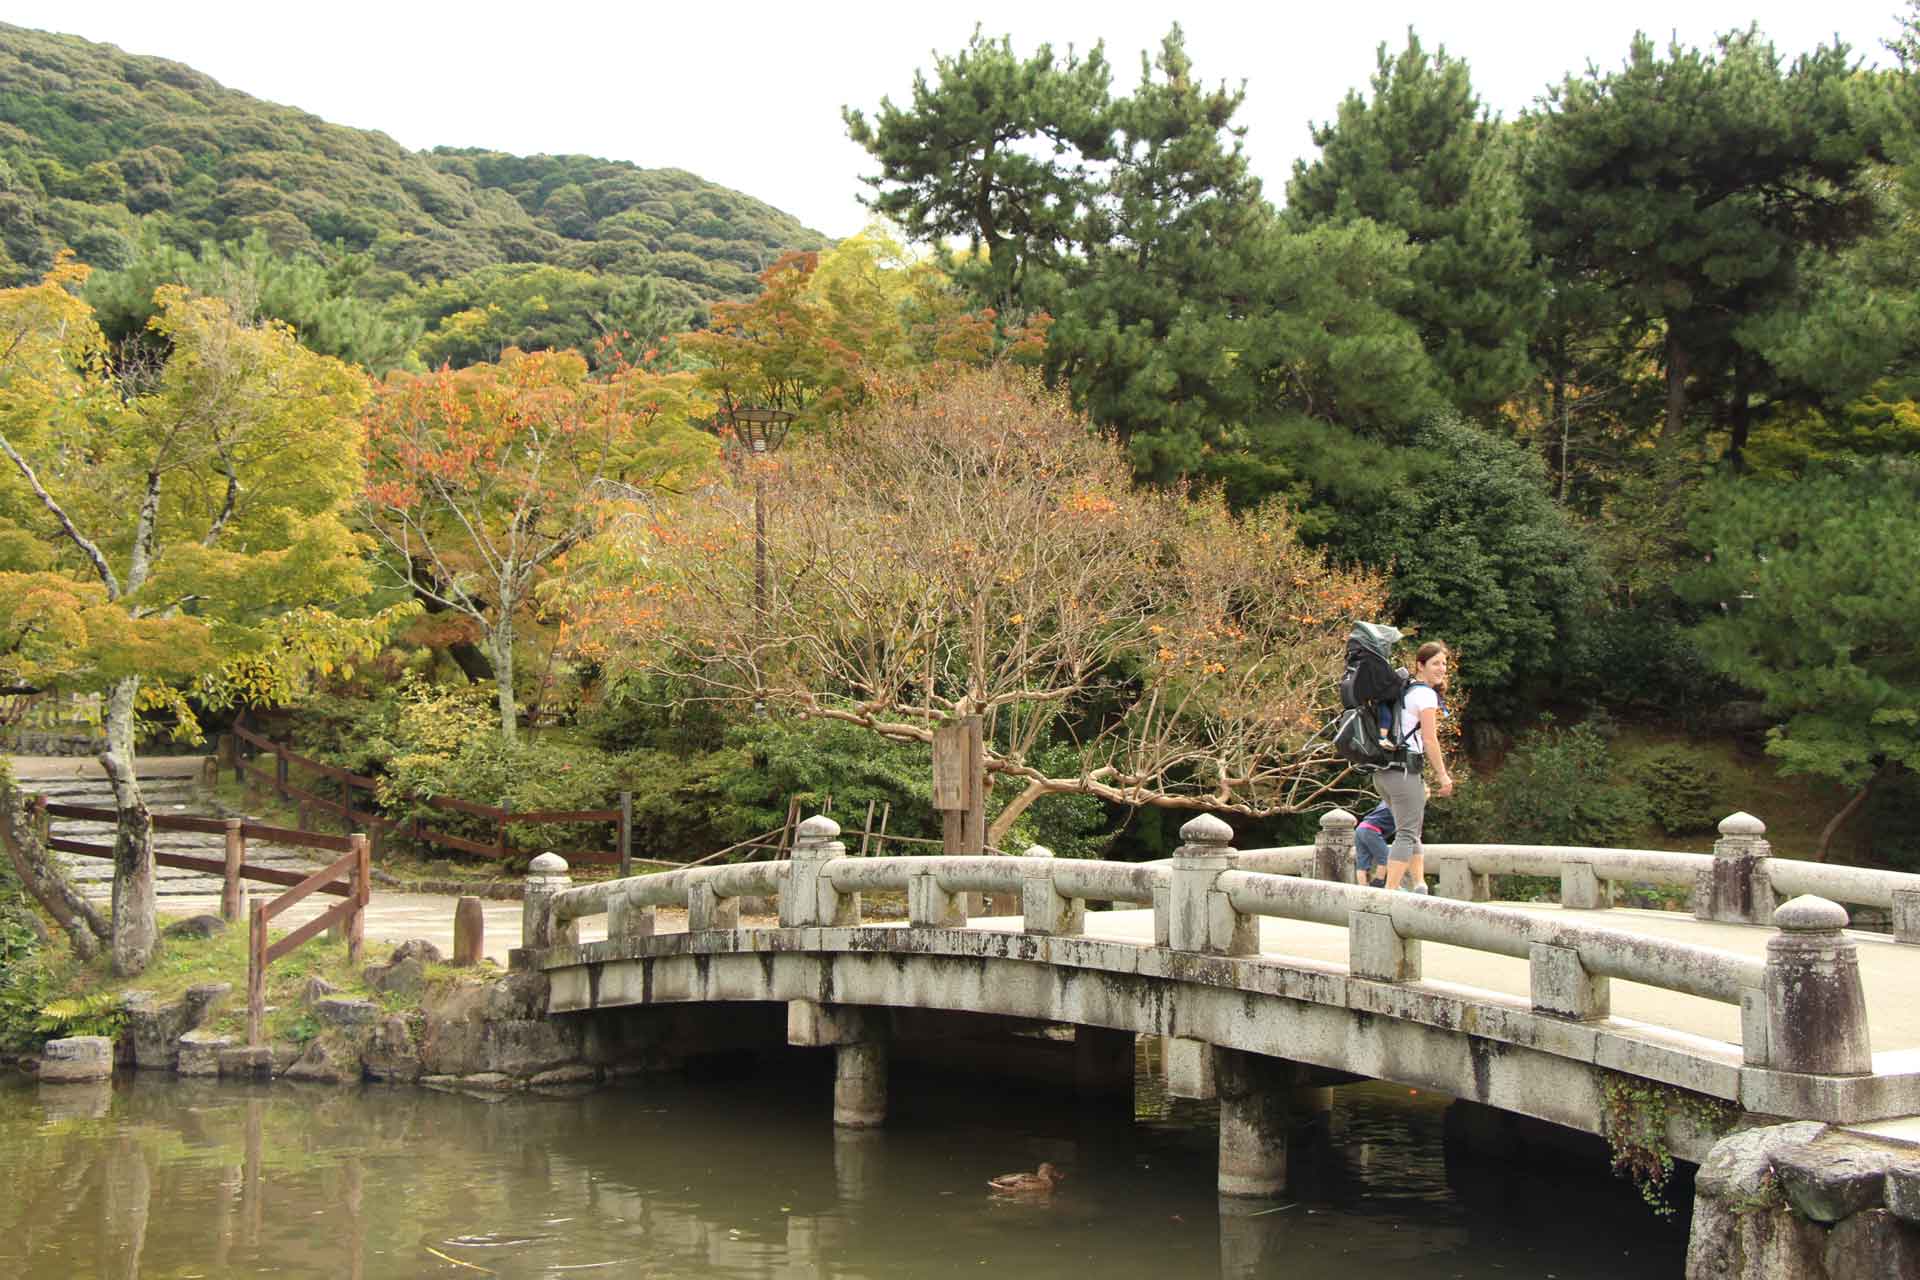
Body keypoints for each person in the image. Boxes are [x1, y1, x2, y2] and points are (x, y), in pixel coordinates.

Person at [1379, 642, 1454, 893]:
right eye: (1435, 663)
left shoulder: (1407, 689)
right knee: (1407, 833)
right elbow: (1430, 740)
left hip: (1385, 773)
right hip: (1404, 771)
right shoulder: (1425, 695)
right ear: (1420, 665)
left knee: (1412, 830)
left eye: (1444, 663)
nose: (1441, 668)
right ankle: (1389, 894)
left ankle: (1419, 884)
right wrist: (1443, 776)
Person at [1353, 801, 1394, 887]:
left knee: (1362, 863)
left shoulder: (1386, 800)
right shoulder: (1401, 804)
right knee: (1386, 857)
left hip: (1360, 828)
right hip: (1371, 830)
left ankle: (1362, 889)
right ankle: (1378, 884)